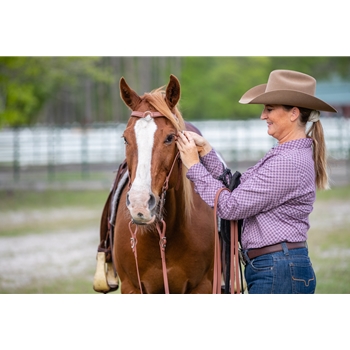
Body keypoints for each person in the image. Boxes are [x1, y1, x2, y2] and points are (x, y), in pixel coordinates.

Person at [176, 69, 337, 294]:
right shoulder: (286, 155)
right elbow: (239, 189)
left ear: (293, 114)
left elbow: (231, 206)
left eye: (269, 109)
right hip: (277, 267)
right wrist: (206, 152)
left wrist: (194, 166)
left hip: (277, 270)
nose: (263, 115)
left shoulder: (286, 162)